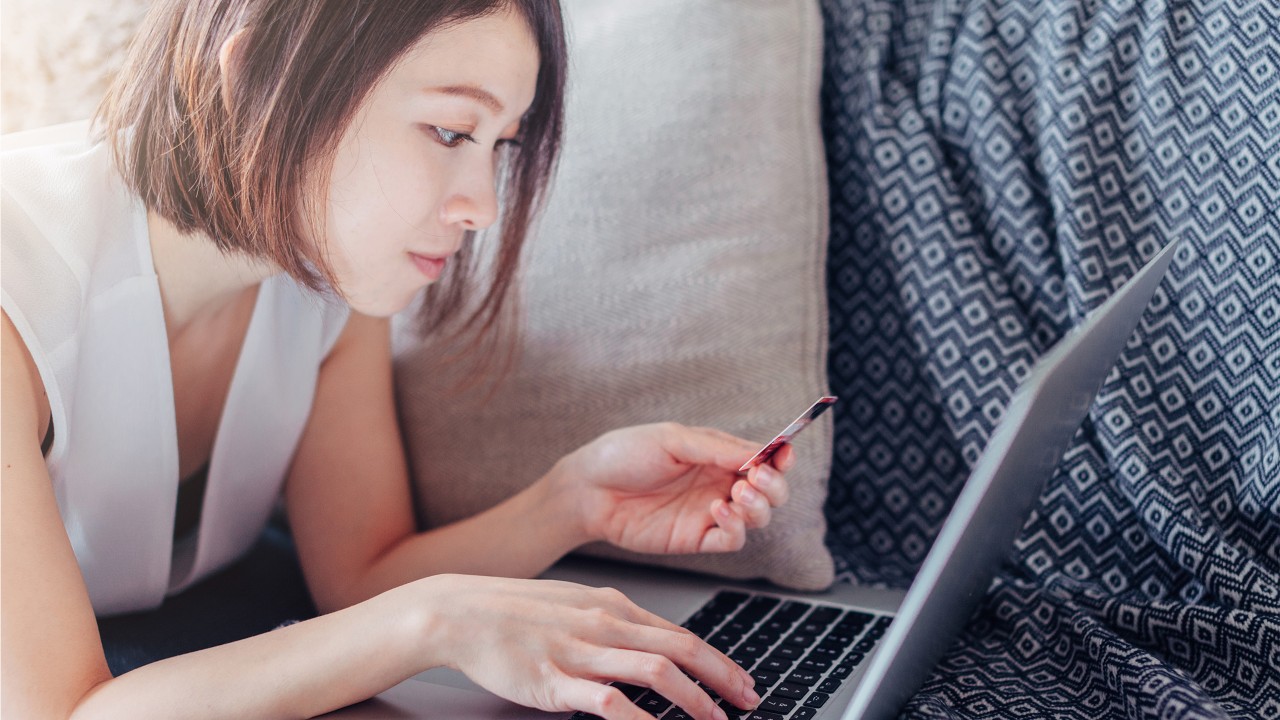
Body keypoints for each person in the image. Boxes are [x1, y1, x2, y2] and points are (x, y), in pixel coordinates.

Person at [0, 1, 797, 718]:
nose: (482, 206)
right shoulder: (19, 284)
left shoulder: (323, 272)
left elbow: (361, 572)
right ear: (257, 83)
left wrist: (573, 501)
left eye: (500, 145)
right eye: (451, 131)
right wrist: (437, 621)